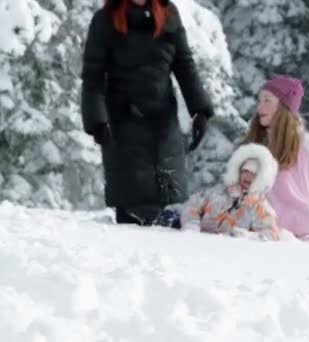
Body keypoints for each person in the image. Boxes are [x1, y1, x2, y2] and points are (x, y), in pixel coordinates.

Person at [80, 0, 215, 225]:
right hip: (123, 126)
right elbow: (93, 76)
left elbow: (184, 65)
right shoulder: (105, 19)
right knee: (132, 211)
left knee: (170, 210)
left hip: (164, 124)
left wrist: (200, 110)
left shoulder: (169, 14)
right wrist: (97, 122)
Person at [242, 75, 309, 239]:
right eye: (259, 101)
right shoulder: (254, 146)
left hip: (303, 244)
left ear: (284, 106)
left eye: (267, 100)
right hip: (257, 239)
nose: (259, 108)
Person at [180, 143, 281, 240]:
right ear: (238, 171)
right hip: (200, 244)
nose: (248, 177)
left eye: (253, 174)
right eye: (246, 171)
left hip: (231, 253)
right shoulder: (218, 191)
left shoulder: (259, 206)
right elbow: (192, 206)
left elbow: (271, 235)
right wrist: (191, 226)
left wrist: (247, 237)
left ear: (260, 177)